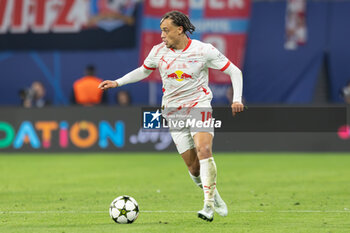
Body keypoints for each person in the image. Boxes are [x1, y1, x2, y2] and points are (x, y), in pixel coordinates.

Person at [98, 11, 244, 222]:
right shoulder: (158, 52)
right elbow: (143, 71)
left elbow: (235, 71)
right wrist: (117, 82)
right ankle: (215, 196)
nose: (162, 35)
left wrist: (236, 99)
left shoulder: (203, 50)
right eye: (160, 31)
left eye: (166, 31)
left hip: (198, 105)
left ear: (180, 29)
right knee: (193, 167)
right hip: (173, 111)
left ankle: (208, 205)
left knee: (204, 149)